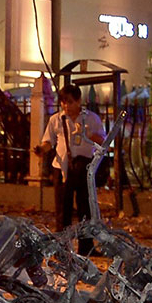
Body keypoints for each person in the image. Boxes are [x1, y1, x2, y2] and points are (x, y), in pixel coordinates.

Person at [37, 84, 107, 250]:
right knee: (62, 210)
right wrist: (41, 149)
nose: (66, 106)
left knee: (85, 208)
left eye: (69, 102)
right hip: (62, 168)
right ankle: (62, 247)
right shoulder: (56, 119)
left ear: (78, 101)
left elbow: (103, 141)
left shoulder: (91, 118)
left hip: (84, 167)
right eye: (63, 102)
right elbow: (49, 141)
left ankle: (86, 246)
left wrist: (88, 134)